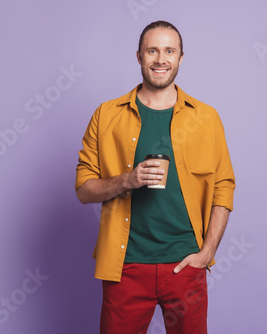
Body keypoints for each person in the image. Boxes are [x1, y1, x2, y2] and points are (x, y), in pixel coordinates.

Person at [75, 20, 235, 334]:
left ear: (180, 57)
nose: (160, 59)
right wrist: (127, 180)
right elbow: (83, 189)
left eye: (169, 51)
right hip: (125, 266)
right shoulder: (107, 115)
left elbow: (223, 186)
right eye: (152, 50)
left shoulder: (206, 118)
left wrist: (208, 252)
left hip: (185, 264)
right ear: (139, 56)